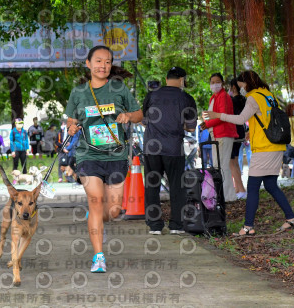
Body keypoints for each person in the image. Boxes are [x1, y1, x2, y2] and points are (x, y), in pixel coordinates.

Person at [65, 45, 143, 273]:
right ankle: (99, 256)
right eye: (98, 61)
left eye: (108, 62)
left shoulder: (119, 88)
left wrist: (128, 116)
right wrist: (72, 127)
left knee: (114, 210)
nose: (103, 66)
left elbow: (139, 114)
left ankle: (96, 218)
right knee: (96, 201)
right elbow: (71, 121)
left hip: (116, 155)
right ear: (88, 64)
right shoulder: (78, 93)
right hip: (88, 155)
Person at [204, 70, 294, 236]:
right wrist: (251, 131)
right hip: (276, 146)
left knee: (253, 187)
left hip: (264, 148)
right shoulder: (269, 95)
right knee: (270, 185)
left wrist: (218, 115)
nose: (241, 90)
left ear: (246, 83)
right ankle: (291, 218)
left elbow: (240, 119)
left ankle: (248, 227)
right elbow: (264, 119)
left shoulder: (253, 97)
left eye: (241, 86)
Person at [142, 66, 198, 235]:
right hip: (173, 148)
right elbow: (190, 127)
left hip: (152, 147)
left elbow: (145, 121)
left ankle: (155, 226)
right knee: (176, 186)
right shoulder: (187, 98)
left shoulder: (151, 95)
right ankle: (176, 225)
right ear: (182, 80)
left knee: (152, 185)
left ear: (166, 79)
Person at [199, 73, 238, 202]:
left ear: (222, 83)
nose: (214, 84)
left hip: (224, 134)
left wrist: (207, 123)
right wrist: (207, 124)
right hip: (216, 134)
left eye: (217, 81)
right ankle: (224, 195)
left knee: (221, 166)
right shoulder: (213, 98)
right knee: (218, 166)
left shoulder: (224, 96)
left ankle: (226, 197)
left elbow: (222, 115)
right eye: (212, 82)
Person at [228, 78, 247, 199]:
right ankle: (238, 188)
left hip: (233, 132)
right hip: (241, 132)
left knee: (232, 163)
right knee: (236, 161)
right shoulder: (244, 100)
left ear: (233, 88)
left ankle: (241, 189)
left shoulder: (232, 101)